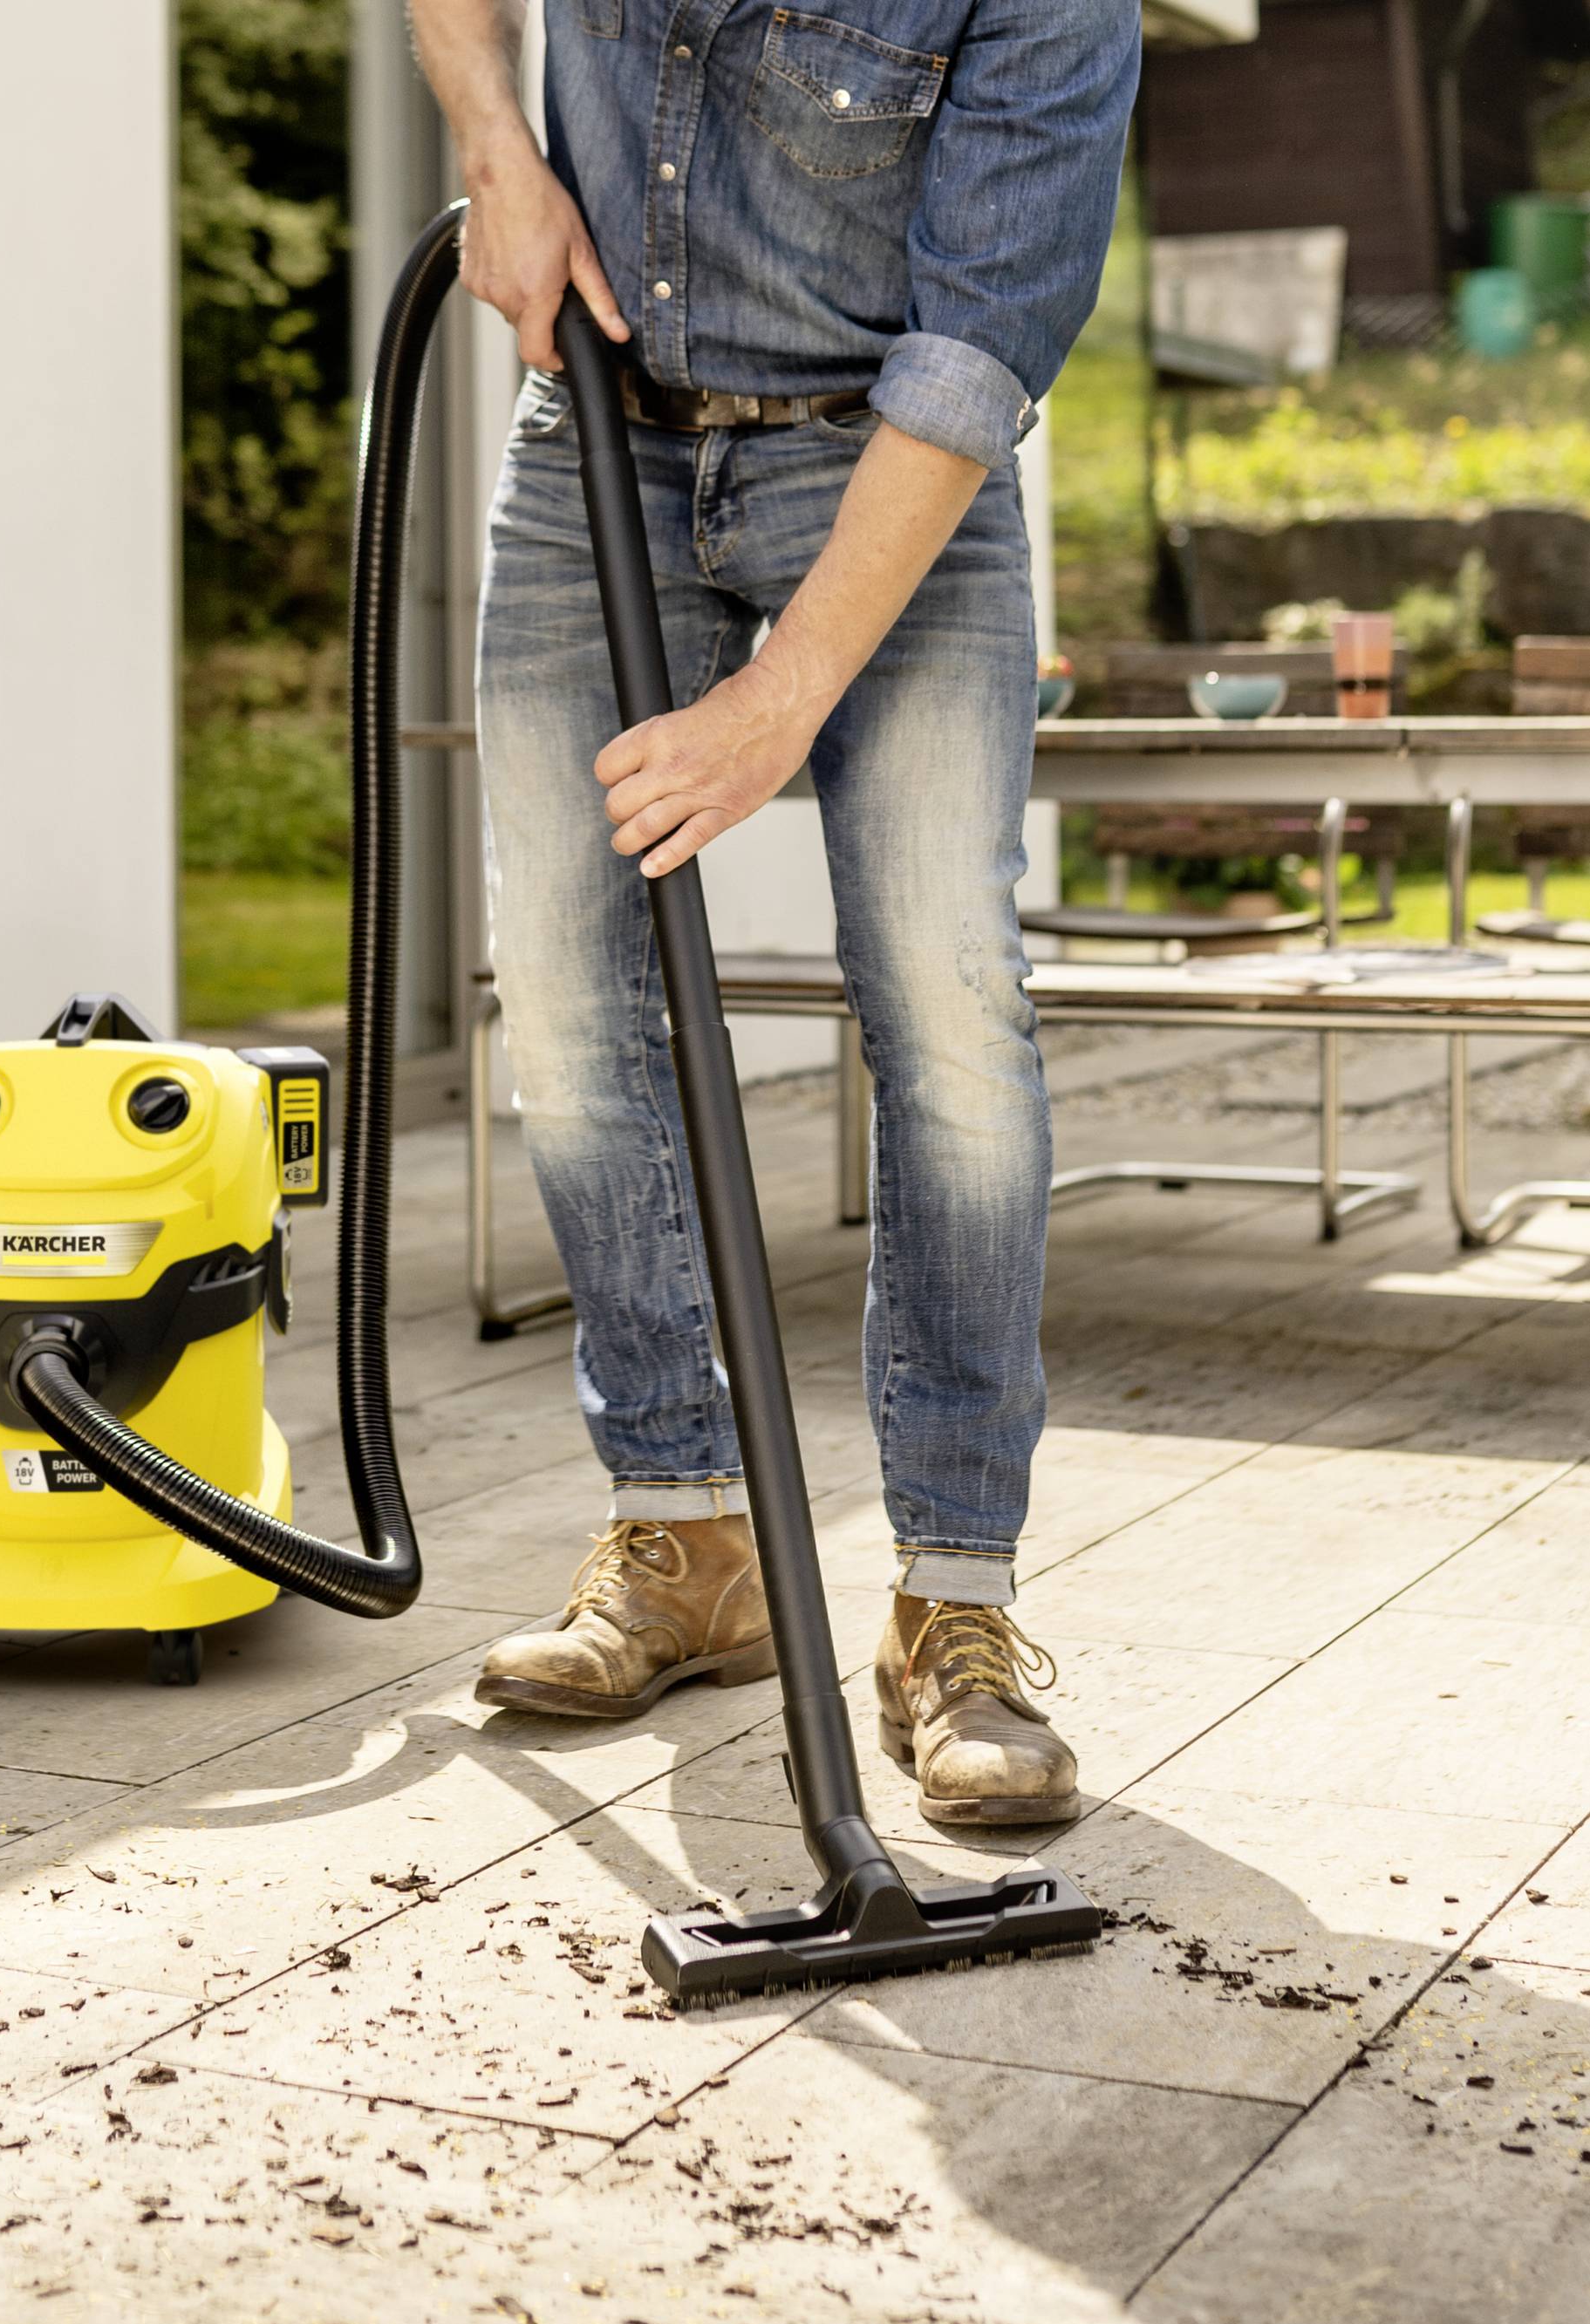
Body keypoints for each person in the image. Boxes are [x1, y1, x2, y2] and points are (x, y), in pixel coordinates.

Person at [409, 0, 1139, 1826]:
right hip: (599, 449)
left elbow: (977, 352)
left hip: (891, 469)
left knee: (952, 1012)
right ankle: (684, 1542)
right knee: (568, 999)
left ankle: (951, 1609)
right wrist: (495, 144)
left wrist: (780, 698)